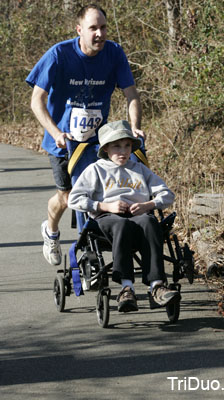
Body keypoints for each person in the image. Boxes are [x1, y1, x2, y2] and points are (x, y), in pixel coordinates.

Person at [26, 4, 144, 266]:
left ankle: (92, 251)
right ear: (79, 30)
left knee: (98, 196)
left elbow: (131, 94)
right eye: (93, 28)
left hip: (97, 142)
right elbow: (37, 100)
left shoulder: (114, 53)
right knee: (68, 198)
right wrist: (56, 132)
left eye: (103, 27)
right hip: (63, 143)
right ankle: (51, 231)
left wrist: (134, 126)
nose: (99, 33)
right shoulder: (59, 54)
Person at [68, 120, 180, 312]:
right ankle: (126, 288)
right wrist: (105, 205)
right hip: (107, 218)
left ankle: (157, 287)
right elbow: (74, 199)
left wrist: (149, 204)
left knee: (150, 221)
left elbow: (167, 194)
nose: (123, 151)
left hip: (139, 216)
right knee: (122, 225)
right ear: (106, 149)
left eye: (127, 145)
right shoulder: (96, 170)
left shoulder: (139, 169)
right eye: (117, 146)